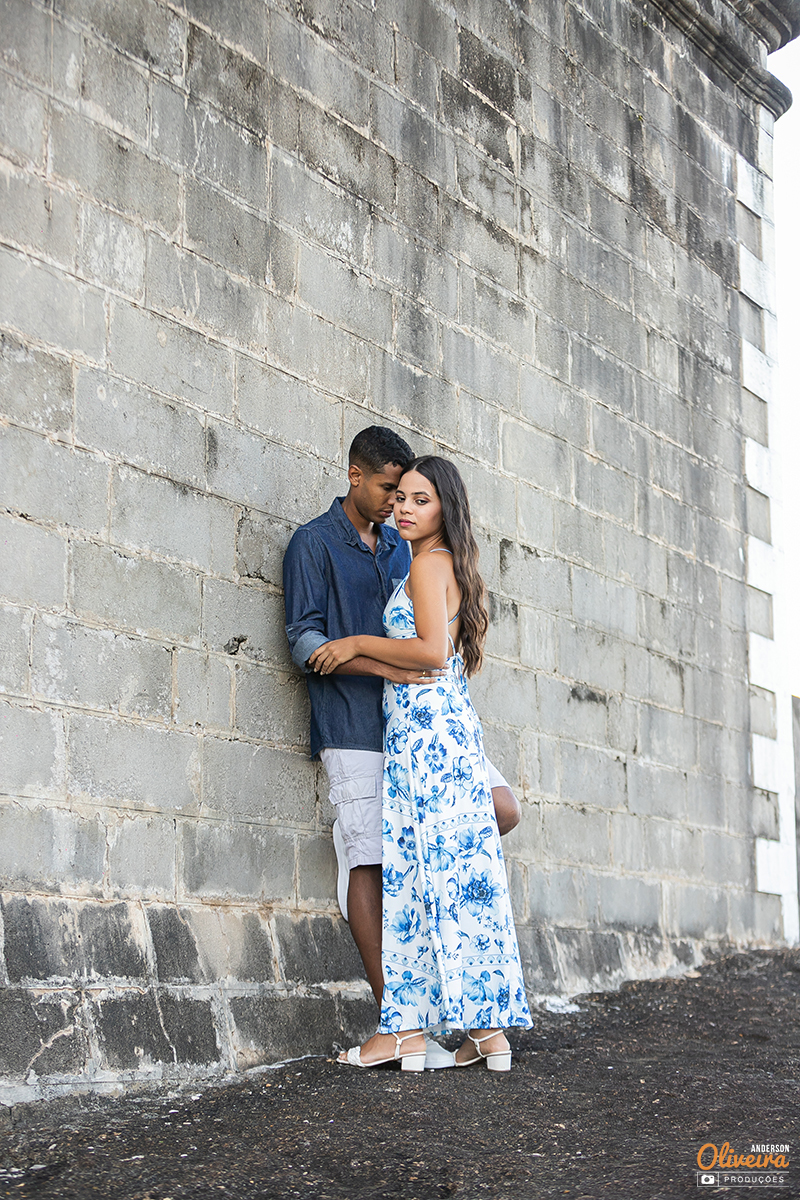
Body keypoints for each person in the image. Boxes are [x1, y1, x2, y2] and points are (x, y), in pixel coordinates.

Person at [283, 428, 522, 1069]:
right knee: (371, 859)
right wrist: (373, 661)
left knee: (479, 825)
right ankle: (410, 1022)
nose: (399, 506)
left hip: (422, 728)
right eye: (393, 492)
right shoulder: (314, 543)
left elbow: (431, 646)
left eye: (413, 496)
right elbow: (306, 641)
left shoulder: (409, 549)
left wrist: (374, 653)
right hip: (356, 722)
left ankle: (446, 1021)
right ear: (355, 476)